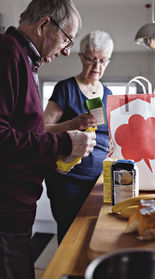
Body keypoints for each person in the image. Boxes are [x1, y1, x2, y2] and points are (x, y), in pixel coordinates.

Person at [0, 0, 96, 279]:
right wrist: (62, 144)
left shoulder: (24, 59)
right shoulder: (8, 53)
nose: (67, 50)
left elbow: (26, 131)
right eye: (67, 39)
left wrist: (66, 134)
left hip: (17, 213)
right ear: (43, 25)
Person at [44, 30, 114, 244]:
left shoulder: (109, 94)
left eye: (103, 61)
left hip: (100, 181)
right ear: (81, 57)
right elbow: (42, 129)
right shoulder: (65, 88)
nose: (97, 67)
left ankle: (90, 275)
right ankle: (67, 277)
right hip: (67, 180)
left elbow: (108, 139)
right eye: (92, 59)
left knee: (97, 235)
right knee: (69, 237)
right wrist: (73, 124)